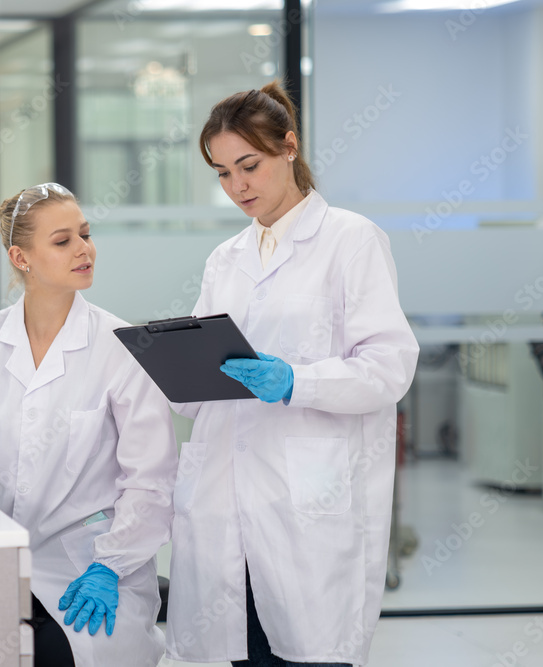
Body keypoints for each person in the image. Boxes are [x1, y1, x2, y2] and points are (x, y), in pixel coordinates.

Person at [164, 81, 419, 667]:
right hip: (224, 502)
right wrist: (180, 374)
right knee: (237, 648)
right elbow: (206, 373)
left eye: (248, 165)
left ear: (289, 146)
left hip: (307, 506)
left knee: (305, 652)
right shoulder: (225, 258)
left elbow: (389, 367)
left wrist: (296, 382)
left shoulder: (350, 240)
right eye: (223, 173)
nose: (237, 187)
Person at [0, 183, 177, 667]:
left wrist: (111, 565)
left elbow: (151, 481)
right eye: (63, 241)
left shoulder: (123, 347)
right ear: (21, 258)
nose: (85, 249)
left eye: (85, 234)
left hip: (87, 564)